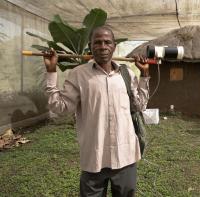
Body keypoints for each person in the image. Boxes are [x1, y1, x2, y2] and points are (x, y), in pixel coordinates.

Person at [43, 25, 150, 197]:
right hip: (94, 157)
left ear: (114, 46)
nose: (102, 46)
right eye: (97, 42)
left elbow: (140, 106)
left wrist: (144, 75)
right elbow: (60, 108)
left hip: (125, 156)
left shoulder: (127, 74)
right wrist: (50, 71)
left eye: (107, 42)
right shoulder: (78, 75)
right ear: (90, 46)